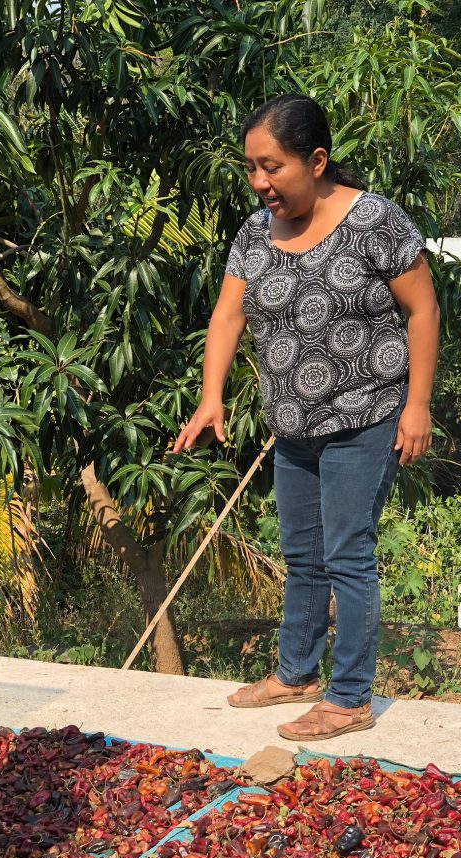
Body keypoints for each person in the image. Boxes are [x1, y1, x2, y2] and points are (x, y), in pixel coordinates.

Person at [173, 94, 439, 741]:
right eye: (251, 168)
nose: (260, 182)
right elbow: (228, 316)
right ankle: (295, 673)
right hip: (292, 428)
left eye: (273, 167)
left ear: (316, 160)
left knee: (348, 556)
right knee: (302, 556)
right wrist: (212, 396)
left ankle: (349, 698)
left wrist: (418, 405)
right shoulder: (254, 233)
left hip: (365, 418)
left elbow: (423, 311)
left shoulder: (375, 221)